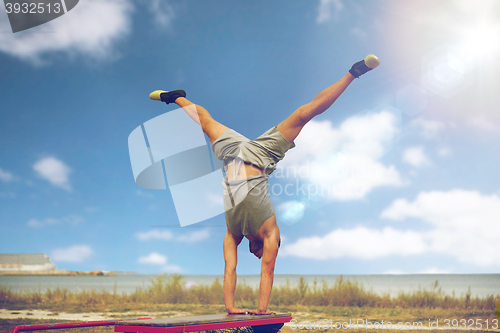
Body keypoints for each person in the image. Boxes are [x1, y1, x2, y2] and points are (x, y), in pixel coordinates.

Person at [150, 55, 380, 315]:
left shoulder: (232, 233)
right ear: (276, 243)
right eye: (260, 256)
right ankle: (354, 72)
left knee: (205, 122)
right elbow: (268, 271)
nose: (257, 257)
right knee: (305, 114)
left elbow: (229, 269)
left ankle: (176, 97)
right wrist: (262, 311)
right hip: (262, 155)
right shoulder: (271, 233)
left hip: (233, 154)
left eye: (258, 256)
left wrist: (230, 307)